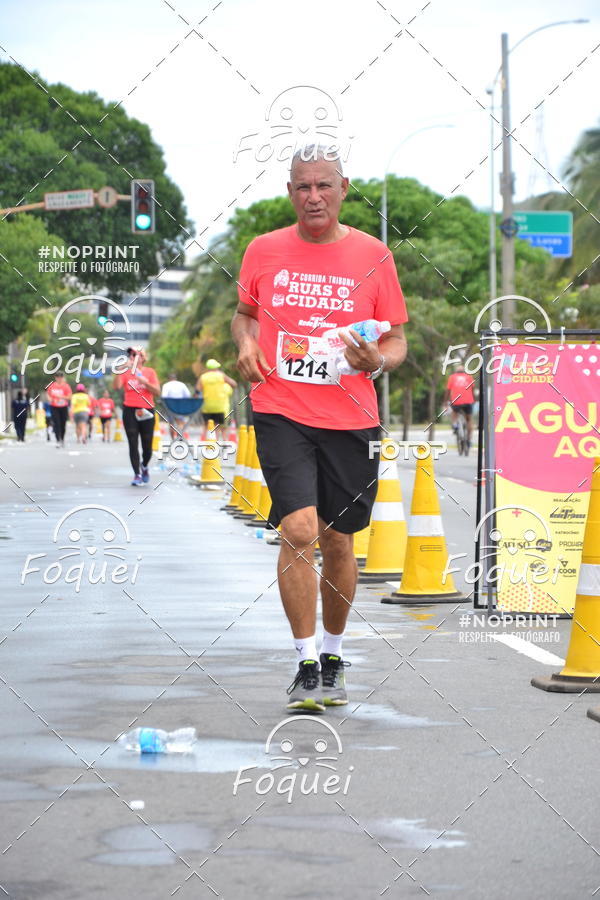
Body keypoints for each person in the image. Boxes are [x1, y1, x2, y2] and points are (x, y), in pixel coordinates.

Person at [232, 145, 408, 712]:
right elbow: (245, 314)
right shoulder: (263, 250)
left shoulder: (374, 255)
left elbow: (397, 341)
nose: (313, 196)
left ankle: (333, 653)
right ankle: (305, 660)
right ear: (290, 192)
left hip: (350, 417)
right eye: (302, 187)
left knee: (338, 539)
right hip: (281, 408)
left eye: (323, 186)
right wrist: (244, 344)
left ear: (343, 189)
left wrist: (374, 361)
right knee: (300, 529)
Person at [113, 347, 161, 486]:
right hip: (130, 409)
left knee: (147, 446)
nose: (132, 357)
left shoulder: (150, 372)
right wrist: (120, 369)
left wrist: (144, 381)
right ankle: (137, 474)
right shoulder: (125, 372)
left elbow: (157, 391)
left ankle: (144, 466)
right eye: (131, 355)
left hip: (147, 409)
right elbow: (116, 386)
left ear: (143, 358)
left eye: (136, 354)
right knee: (133, 443)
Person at [196, 359, 236, 438]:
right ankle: (224, 443)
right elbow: (234, 384)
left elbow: (197, 390)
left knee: (206, 425)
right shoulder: (221, 375)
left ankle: (204, 442)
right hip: (220, 406)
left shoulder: (203, 377)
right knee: (221, 426)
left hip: (207, 406)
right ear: (216, 368)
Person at [444, 366, 475, 446]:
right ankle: (468, 440)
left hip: (456, 401)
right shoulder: (469, 377)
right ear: (464, 371)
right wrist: (473, 399)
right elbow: (473, 389)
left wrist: (445, 401)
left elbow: (448, 390)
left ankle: (455, 425)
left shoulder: (452, 377)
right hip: (468, 401)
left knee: (454, 413)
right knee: (469, 420)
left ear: (456, 371)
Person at [161, 373, 191, 441]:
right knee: (180, 422)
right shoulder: (182, 384)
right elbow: (188, 395)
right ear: (176, 378)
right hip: (180, 405)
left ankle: (173, 439)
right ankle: (179, 436)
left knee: (171, 423)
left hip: (170, 405)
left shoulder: (166, 385)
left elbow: (164, 396)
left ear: (169, 379)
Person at [46, 373, 72, 447]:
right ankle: (58, 440)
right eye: (57, 377)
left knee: (63, 424)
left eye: (60, 377)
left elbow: (69, 397)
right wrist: (49, 399)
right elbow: (48, 394)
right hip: (54, 407)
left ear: (62, 378)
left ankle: (62, 439)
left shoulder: (66, 386)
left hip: (63, 407)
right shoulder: (52, 386)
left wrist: (61, 397)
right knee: (56, 423)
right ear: (55, 378)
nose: (59, 379)